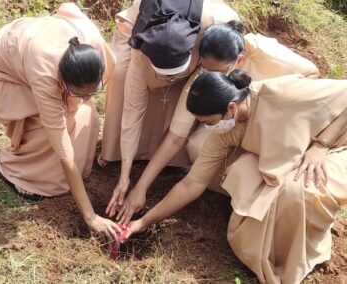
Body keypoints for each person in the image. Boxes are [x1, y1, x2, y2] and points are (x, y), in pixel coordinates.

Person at [125, 70, 347, 283]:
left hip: (336, 145)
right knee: (242, 172)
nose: (206, 127)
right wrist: (143, 222)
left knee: (297, 192)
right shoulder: (226, 127)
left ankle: (299, 256)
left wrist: (322, 145)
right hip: (297, 155)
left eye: (208, 122)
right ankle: (271, 246)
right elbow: (193, 182)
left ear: (231, 107)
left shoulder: (283, 93)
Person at [115, 20, 320, 224]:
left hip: (276, 123)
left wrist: (269, 108)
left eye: (219, 72)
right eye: (206, 70)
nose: (210, 77)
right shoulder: (203, 79)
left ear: (240, 60)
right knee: (197, 146)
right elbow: (176, 137)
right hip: (234, 128)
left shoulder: (269, 56)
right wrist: (140, 188)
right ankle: (228, 187)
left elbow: (312, 73)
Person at [0, 3, 121, 239]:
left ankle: (75, 171)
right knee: (48, 127)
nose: (86, 98)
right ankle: (28, 174)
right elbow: (62, 147)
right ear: (61, 81)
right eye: (78, 92)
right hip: (3, 70)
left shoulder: (92, 43)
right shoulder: (44, 73)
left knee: (83, 111)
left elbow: (110, 69)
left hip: (37, 45)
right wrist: (90, 216)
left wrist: (80, 100)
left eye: (92, 92)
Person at [103, 0, 240, 218]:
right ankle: (127, 157)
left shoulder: (212, 41)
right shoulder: (141, 50)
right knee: (121, 75)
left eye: (173, 76)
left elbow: (178, 132)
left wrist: (141, 189)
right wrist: (125, 177)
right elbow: (132, 112)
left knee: (184, 106)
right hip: (146, 32)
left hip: (201, 47)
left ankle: (167, 162)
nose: (167, 81)